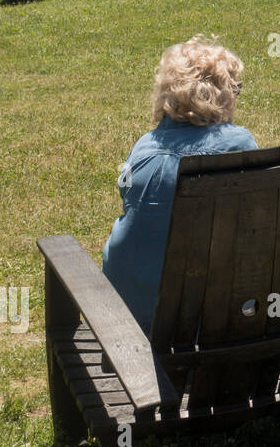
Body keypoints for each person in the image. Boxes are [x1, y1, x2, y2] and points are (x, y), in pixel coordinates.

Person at [102, 36, 257, 330]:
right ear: (221, 93)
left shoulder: (143, 148)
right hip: (210, 318)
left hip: (134, 313)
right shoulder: (238, 146)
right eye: (235, 87)